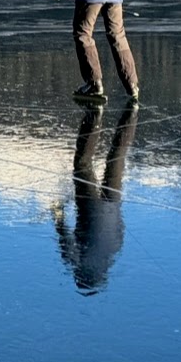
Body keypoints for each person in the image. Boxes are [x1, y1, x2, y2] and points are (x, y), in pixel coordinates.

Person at [53, 102, 138, 294]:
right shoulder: (79, 262)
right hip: (90, 206)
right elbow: (65, 239)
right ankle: (94, 116)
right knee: (82, 165)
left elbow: (120, 227)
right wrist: (57, 213)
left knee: (117, 158)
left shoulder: (114, 250)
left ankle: (131, 118)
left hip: (114, 203)